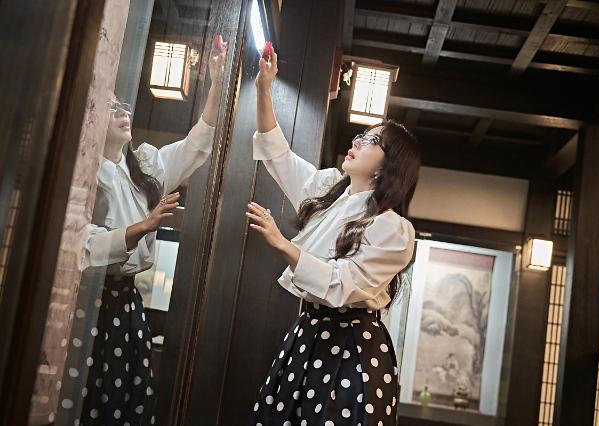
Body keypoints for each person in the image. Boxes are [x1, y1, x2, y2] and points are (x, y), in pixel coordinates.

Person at [60, 36, 227, 426]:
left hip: (127, 303)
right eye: (110, 107)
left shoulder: (144, 165)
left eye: (123, 105)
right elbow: (84, 247)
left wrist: (217, 83)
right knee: (84, 400)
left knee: (126, 402)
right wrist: (145, 225)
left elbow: (197, 144)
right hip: (88, 301)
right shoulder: (81, 175)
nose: (122, 111)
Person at [248, 48, 421, 425]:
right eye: (360, 136)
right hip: (307, 333)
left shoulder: (394, 229)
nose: (357, 142)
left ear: (389, 166)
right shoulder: (328, 190)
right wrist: (264, 88)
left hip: (354, 349)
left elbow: (342, 285)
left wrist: (284, 245)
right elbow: (277, 154)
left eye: (371, 141)